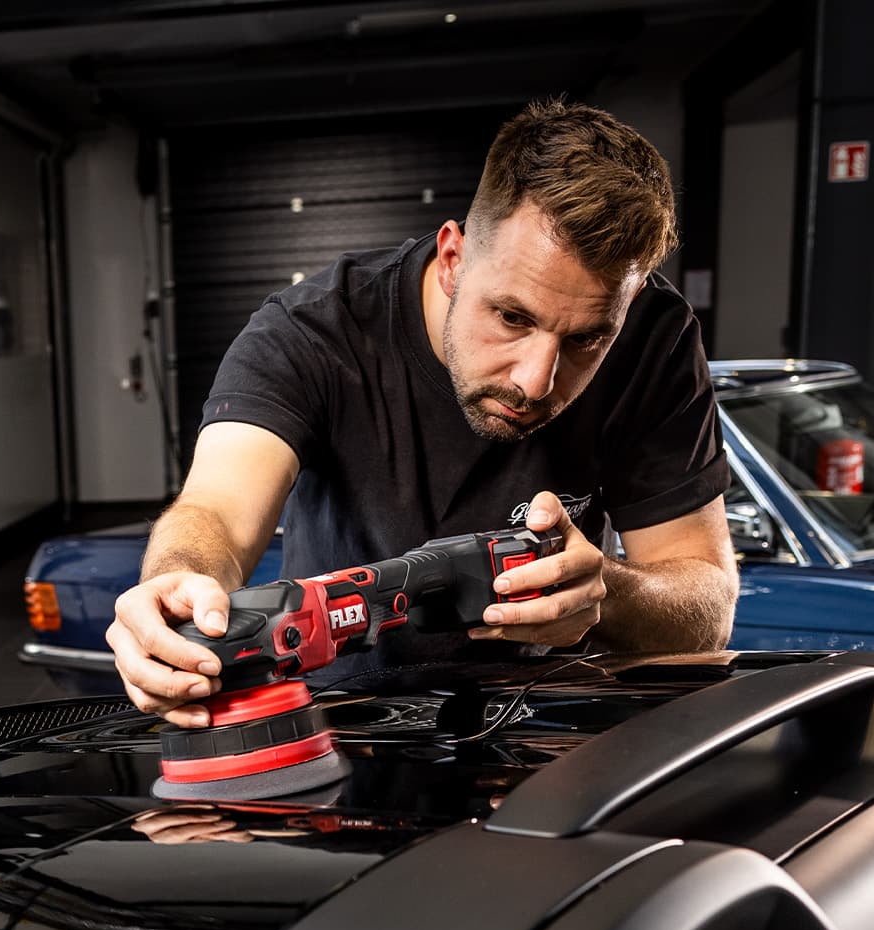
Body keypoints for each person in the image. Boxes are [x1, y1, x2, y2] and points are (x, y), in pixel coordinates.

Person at [109, 98, 737, 727]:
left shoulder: (654, 336)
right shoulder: (312, 332)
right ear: (453, 259)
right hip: (342, 734)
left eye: (586, 340)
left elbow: (709, 609)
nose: (536, 380)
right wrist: (179, 586)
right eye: (512, 318)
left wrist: (609, 592)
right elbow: (214, 510)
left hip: (549, 733)